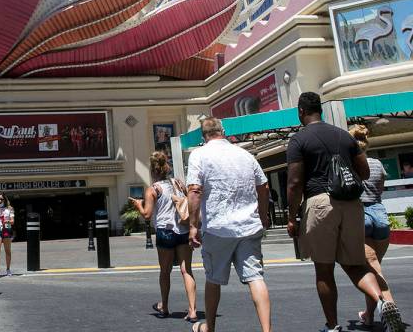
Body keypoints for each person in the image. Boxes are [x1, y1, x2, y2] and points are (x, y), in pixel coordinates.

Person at [286, 92, 403, 332]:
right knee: (356, 264)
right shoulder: (343, 135)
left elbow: (295, 182)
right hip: (351, 204)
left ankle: (332, 326)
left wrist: (291, 217)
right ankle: (382, 302)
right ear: (320, 109)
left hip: (320, 203)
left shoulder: (299, 140)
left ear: (300, 112)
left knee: (324, 269)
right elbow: (365, 172)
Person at [187, 117, 271, 332]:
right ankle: (267, 330)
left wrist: (193, 225)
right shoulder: (244, 154)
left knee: (213, 279)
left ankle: (210, 327)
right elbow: (263, 186)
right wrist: (262, 215)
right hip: (248, 226)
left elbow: (195, 190)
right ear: (223, 131)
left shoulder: (199, 155)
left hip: (218, 227)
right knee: (255, 277)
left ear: (203, 136)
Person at [129, 151, 197, 322]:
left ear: (152, 170)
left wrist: (138, 204)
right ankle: (193, 310)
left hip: (165, 232)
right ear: (166, 167)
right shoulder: (179, 184)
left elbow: (146, 215)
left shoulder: (153, 189)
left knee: (165, 271)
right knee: (186, 270)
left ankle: (165, 306)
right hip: (182, 229)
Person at [349, 125, 399, 327]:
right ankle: (369, 316)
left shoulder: (351, 165)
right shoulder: (377, 163)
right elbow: (380, 187)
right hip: (380, 215)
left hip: (362, 216)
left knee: (375, 271)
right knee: (374, 268)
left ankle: (391, 310)